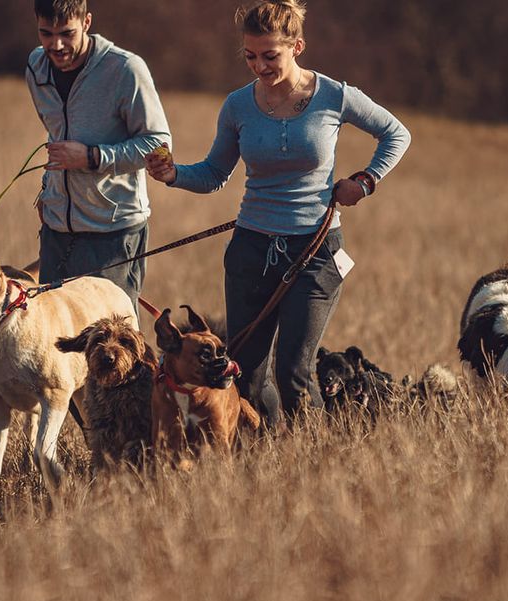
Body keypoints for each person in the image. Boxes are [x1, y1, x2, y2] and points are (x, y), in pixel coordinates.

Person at [144, 0, 411, 428]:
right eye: (250, 56)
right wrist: (174, 174)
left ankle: (308, 461)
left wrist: (365, 181)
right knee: (245, 375)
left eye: (270, 55)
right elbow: (215, 173)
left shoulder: (334, 96)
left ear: (297, 46)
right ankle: (261, 459)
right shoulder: (237, 106)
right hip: (252, 249)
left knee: (294, 373)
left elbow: (396, 133)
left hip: (316, 253)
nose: (259, 66)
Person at [26, 0, 171, 308]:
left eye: (67, 33)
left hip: (113, 232)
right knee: (56, 342)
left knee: (110, 345)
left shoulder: (125, 69)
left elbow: (158, 144)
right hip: (56, 231)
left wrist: (93, 157)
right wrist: (50, 189)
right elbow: (58, 135)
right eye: (46, 33)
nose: (57, 44)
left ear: (87, 22)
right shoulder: (36, 67)